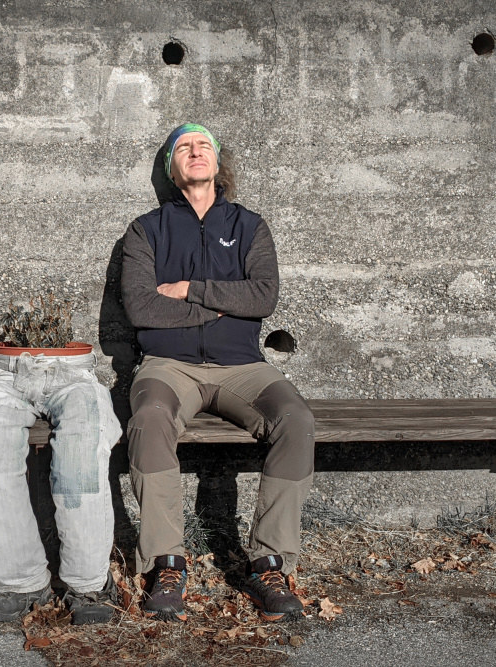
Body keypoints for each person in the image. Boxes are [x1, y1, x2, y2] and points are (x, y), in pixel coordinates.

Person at [121, 123, 315, 622]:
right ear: (172, 167)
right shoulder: (146, 230)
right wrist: (228, 304)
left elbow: (264, 297)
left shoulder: (251, 226)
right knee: (149, 417)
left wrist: (188, 289)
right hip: (168, 366)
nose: (194, 151)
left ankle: (270, 562)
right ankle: (166, 562)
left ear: (218, 160)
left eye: (203, 144)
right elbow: (141, 309)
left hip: (243, 367)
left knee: (295, 419)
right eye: (183, 147)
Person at [0, 345, 122, 624]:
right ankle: (20, 583)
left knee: (79, 463)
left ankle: (89, 585)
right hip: (7, 373)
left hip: (73, 373)